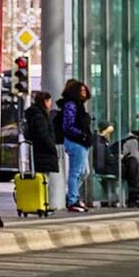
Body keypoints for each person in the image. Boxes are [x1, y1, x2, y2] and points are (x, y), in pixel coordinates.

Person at [56, 80, 98, 213]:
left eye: (85, 90)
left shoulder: (79, 106)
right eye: (81, 91)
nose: (84, 93)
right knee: (76, 172)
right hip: (75, 142)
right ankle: (72, 200)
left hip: (81, 142)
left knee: (84, 172)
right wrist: (82, 135)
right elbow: (68, 125)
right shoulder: (71, 105)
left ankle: (72, 195)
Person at [22, 91, 61, 210]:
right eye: (49, 101)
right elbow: (43, 135)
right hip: (44, 152)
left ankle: (41, 203)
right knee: (44, 180)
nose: (51, 104)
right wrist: (53, 148)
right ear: (45, 101)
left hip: (38, 151)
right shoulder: (40, 116)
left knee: (42, 179)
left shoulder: (33, 115)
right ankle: (43, 204)